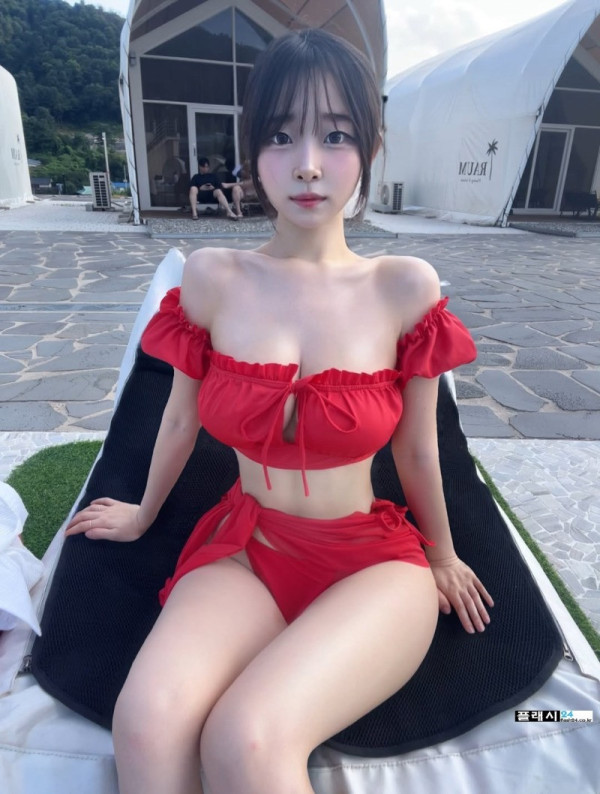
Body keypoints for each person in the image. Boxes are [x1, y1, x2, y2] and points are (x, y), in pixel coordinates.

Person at [65, 28, 493, 794]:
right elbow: (178, 419)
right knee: (147, 722)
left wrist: (442, 552)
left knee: (247, 737)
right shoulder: (212, 279)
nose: (307, 163)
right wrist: (141, 511)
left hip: (370, 564)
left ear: (369, 149)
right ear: (252, 151)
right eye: (281, 135)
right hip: (247, 549)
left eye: (336, 136)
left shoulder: (403, 287)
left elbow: (419, 450)